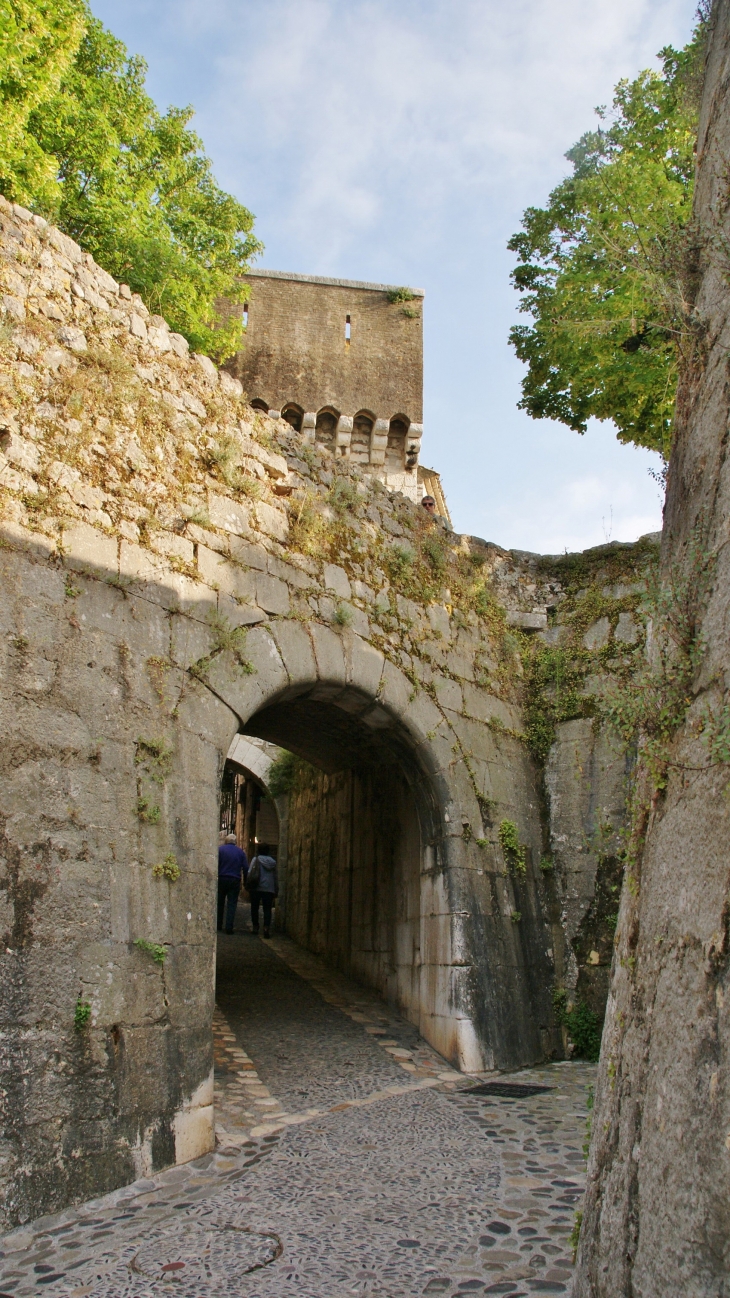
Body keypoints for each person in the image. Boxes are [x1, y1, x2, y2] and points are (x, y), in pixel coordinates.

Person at [217, 832, 248, 935]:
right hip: (234, 879)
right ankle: (229, 927)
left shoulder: (220, 850)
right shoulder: (240, 852)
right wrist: (246, 881)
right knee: (232, 904)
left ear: (226, 841)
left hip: (222, 878)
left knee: (220, 902)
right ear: (235, 842)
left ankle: (218, 924)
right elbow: (245, 868)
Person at [248, 843, 278, 938]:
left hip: (257, 887)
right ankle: (266, 928)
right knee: (267, 909)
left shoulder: (256, 860)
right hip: (269, 888)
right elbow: (275, 876)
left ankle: (255, 926)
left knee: (254, 908)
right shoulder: (273, 862)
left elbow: (250, 872)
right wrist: (276, 888)